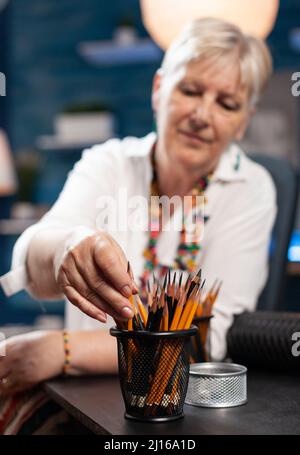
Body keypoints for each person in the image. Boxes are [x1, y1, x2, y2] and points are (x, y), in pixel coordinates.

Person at [0, 18, 276, 400]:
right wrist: (68, 245)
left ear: (243, 122)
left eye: (227, 104)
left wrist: (62, 350)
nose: (202, 115)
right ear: (159, 90)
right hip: (85, 398)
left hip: (180, 404)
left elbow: (212, 337)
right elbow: (29, 267)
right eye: (190, 90)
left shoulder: (251, 186)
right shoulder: (107, 163)